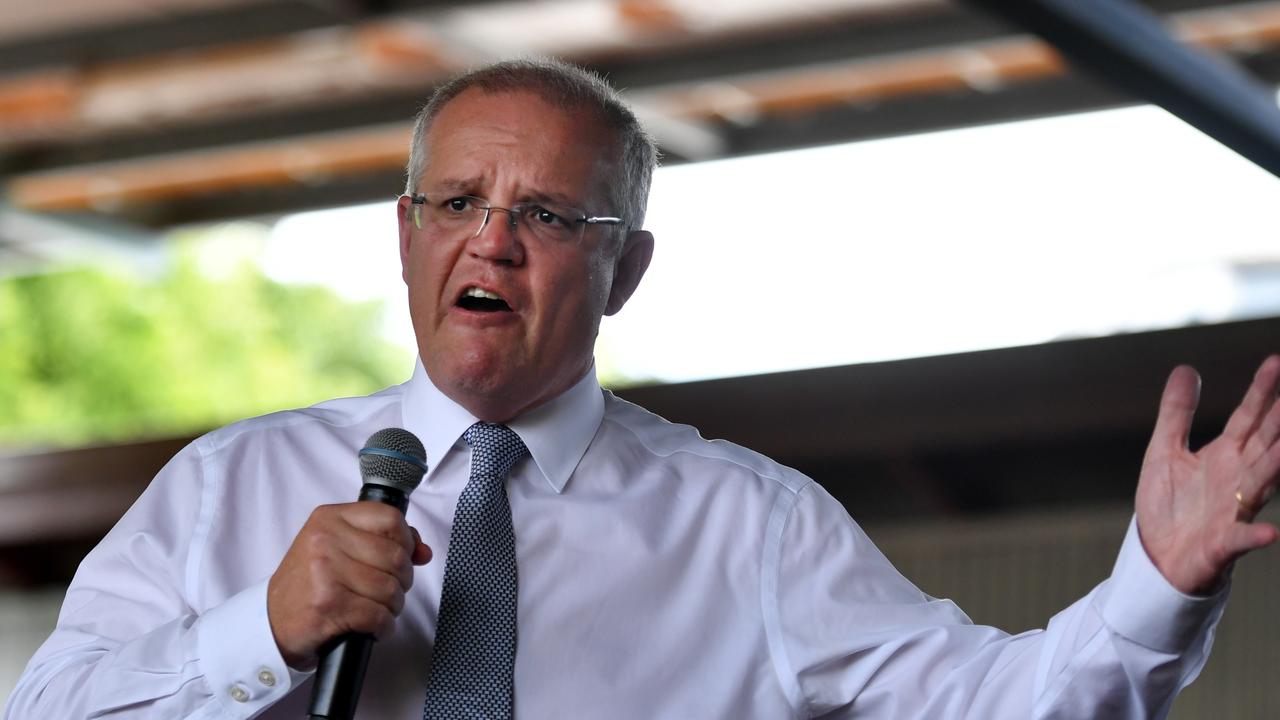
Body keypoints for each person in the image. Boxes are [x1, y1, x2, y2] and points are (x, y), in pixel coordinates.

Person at [5, 58, 1279, 720]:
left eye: (549, 214)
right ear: (405, 237)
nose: (490, 242)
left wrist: (1155, 590)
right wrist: (262, 628)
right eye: (456, 203)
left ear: (625, 270)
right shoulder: (229, 489)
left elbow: (999, 706)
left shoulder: (751, 529)